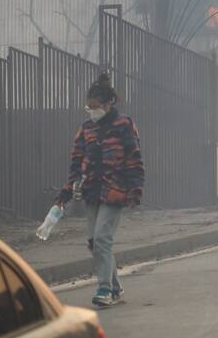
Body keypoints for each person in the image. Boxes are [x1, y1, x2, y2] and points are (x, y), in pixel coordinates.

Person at [56, 73, 144, 307]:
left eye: (95, 107)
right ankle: (115, 286)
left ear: (108, 104)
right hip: (91, 192)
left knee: (103, 239)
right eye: (89, 107)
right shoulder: (85, 129)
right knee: (95, 242)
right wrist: (66, 191)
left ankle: (104, 289)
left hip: (116, 191)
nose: (91, 111)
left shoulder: (124, 125)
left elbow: (133, 158)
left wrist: (136, 188)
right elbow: (76, 162)